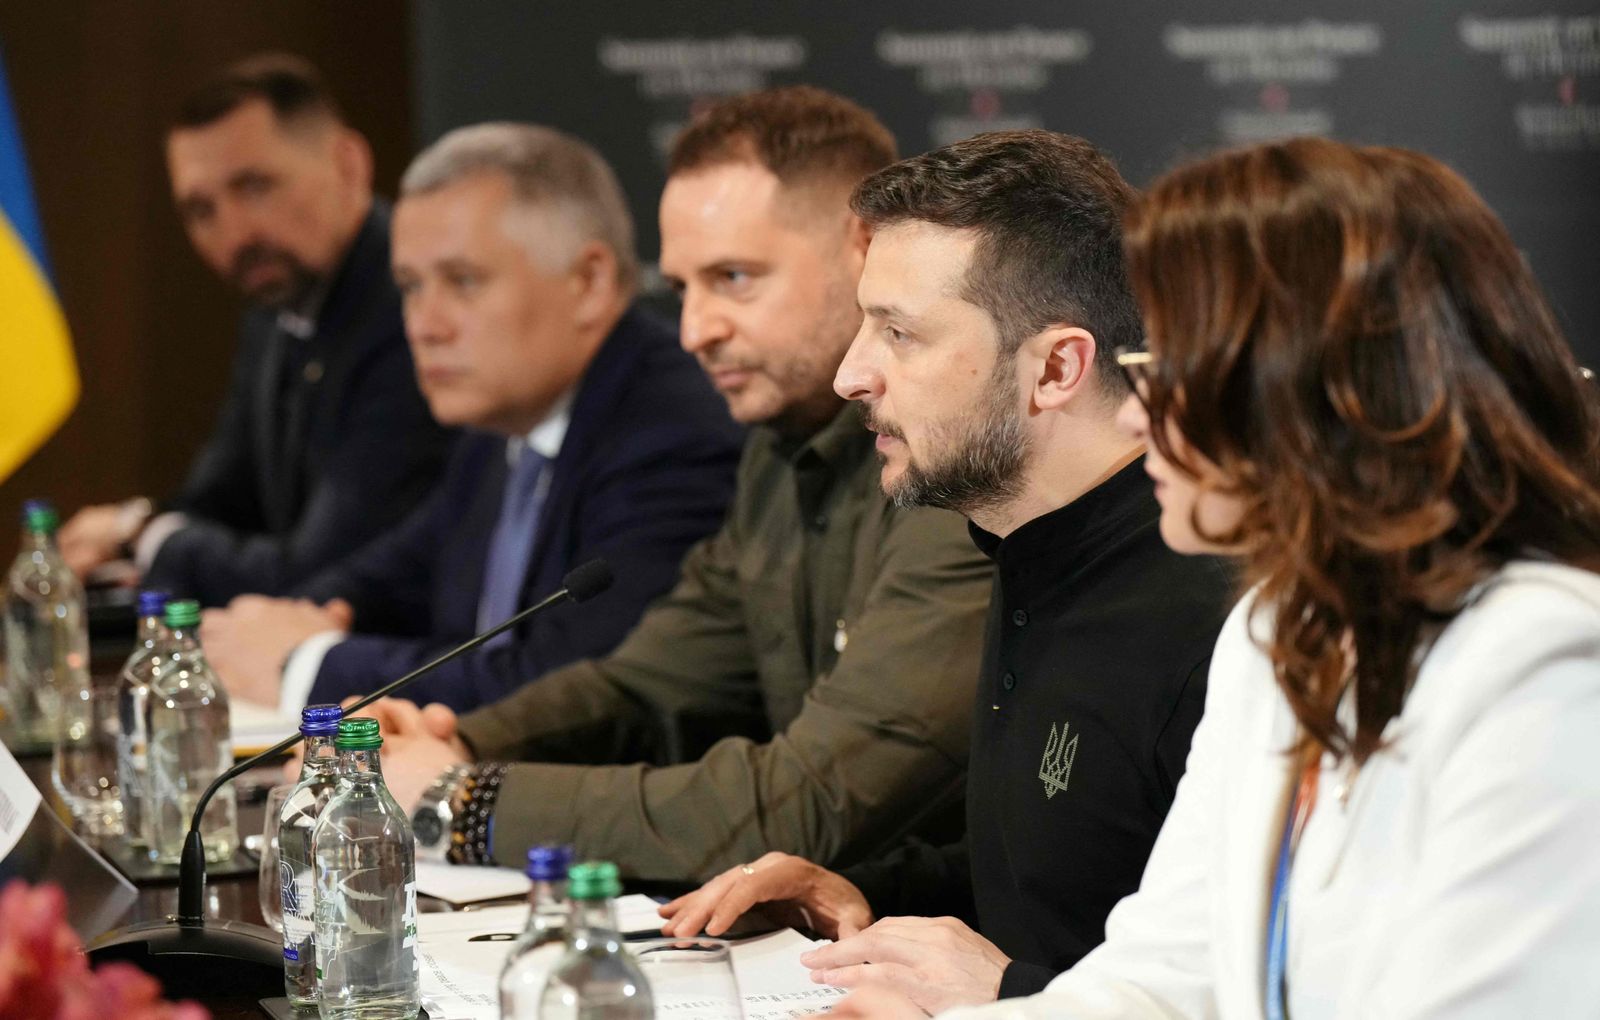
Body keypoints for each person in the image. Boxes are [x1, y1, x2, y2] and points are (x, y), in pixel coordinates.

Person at [833, 138, 1600, 1020]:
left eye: (1171, 367)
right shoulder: (1274, 630)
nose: (1137, 412)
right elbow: (1166, 975)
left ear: (1318, 390)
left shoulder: (1547, 669)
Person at [353, 86, 995, 882]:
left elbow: (805, 804)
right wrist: (461, 741)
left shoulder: (955, 464)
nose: (695, 330)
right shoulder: (774, 450)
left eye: (734, 277)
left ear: (862, 251)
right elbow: (646, 686)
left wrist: (462, 800)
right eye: (684, 287)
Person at [657, 130, 1235, 1009]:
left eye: (899, 333)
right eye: (863, 324)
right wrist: (863, 896)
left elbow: (1260, 985)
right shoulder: (1027, 549)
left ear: (1056, 369)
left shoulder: (1215, 617)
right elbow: (1067, 869)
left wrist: (1009, 994)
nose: (854, 373)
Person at [195, 123, 743, 714]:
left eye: (462, 282)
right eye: (410, 286)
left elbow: (563, 689)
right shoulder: (501, 425)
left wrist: (305, 662)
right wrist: (291, 619)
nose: (425, 326)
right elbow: (395, 573)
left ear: (589, 282)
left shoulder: (672, 437)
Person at [57, 54, 452, 606]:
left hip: (391, 675)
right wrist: (137, 532)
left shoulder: (417, 312)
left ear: (348, 165)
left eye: (255, 186)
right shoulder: (274, 310)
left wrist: (144, 535)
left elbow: (316, 573)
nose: (234, 234)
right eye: (200, 210)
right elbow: (218, 496)